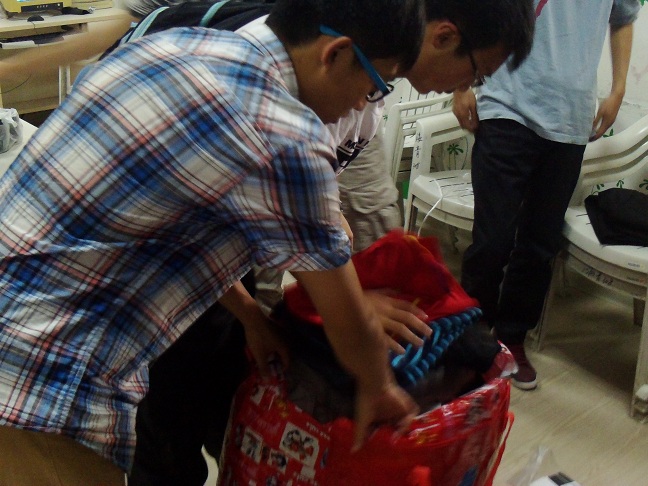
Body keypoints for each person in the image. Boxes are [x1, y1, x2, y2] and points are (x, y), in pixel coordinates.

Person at [0, 0, 426, 483]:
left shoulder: (171, 45)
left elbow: (164, 227)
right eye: (373, 87)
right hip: (39, 382)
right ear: (336, 54)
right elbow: (346, 317)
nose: (362, 106)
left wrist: (250, 315)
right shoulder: (286, 135)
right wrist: (380, 387)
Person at [452, 0, 640, 391]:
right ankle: (471, 339)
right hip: (506, 104)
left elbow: (623, 18)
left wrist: (619, 88)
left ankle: (512, 338)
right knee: (492, 241)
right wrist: (461, 83)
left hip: (570, 120)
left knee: (539, 245)